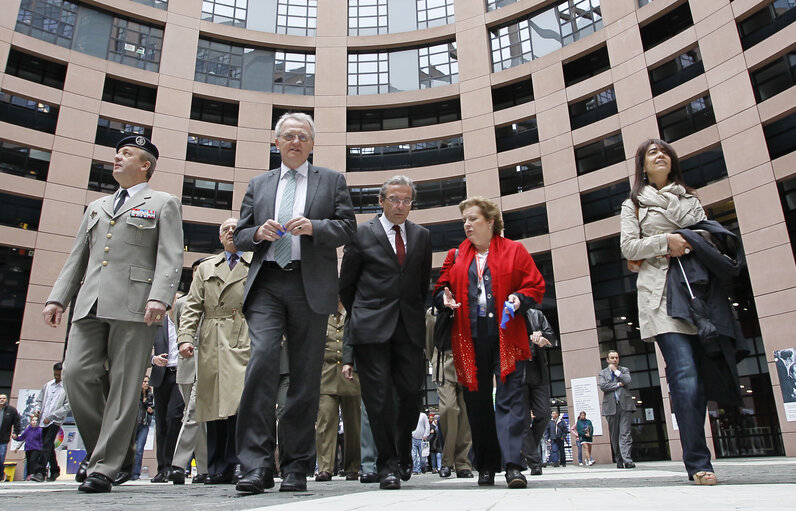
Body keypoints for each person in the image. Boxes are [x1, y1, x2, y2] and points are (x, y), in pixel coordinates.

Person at [41, 135, 183, 493]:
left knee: (123, 385)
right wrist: (57, 299)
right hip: (90, 304)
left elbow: (170, 255)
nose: (117, 159)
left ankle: (103, 467)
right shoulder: (96, 206)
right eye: (117, 154)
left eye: (127, 154)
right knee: (76, 375)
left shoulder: (163, 203)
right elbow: (78, 257)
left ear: (145, 164)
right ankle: (109, 453)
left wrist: (160, 297)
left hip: (137, 306)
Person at [233, 113, 356, 494]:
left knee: (304, 379)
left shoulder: (332, 180)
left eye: (303, 136)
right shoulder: (259, 183)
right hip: (268, 282)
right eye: (288, 135)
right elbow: (239, 236)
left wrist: (315, 228)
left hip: (311, 285)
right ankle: (254, 465)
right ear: (277, 142)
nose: (295, 141)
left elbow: (348, 228)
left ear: (312, 144)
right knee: (263, 362)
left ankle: (296, 466)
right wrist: (258, 233)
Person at [620, 138, 748, 486]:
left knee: (702, 373)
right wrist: (667, 242)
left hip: (698, 292)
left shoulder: (691, 199)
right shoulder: (633, 204)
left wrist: (679, 238)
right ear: (642, 167)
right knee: (685, 375)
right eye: (651, 153)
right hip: (660, 296)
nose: (659, 155)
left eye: (664, 151)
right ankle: (698, 461)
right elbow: (628, 247)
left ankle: (700, 452)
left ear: (672, 162)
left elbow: (709, 236)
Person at [434, 196, 545, 489]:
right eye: (464, 221)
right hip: (468, 337)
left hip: (506, 334)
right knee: (477, 403)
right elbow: (440, 287)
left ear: (491, 221)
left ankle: (513, 466)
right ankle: (485, 465)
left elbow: (535, 285)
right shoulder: (456, 254)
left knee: (510, 399)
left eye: (473, 219)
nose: (467, 225)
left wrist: (519, 298)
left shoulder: (514, 250)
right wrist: (443, 297)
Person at [340, 175, 432, 490]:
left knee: (409, 394)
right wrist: (364, 315)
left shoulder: (421, 236)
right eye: (394, 199)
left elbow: (422, 285)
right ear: (381, 201)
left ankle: (403, 446)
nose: (400, 205)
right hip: (371, 328)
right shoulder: (361, 234)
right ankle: (387, 465)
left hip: (408, 328)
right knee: (377, 400)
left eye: (406, 200)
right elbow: (347, 286)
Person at [179, 218, 252, 485]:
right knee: (212, 406)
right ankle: (216, 466)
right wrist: (185, 338)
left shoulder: (256, 262)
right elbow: (192, 306)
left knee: (238, 403)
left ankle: (238, 462)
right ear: (220, 238)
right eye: (225, 229)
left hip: (242, 333)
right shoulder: (206, 267)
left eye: (235, 229)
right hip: (210, 337)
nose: (231, 232)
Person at [170, 258, 210, 484]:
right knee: (197, 417)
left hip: (208, 361)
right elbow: (180, 331)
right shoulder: (181, 303)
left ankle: (178, 464)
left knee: (193, 412)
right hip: (186, 365)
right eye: (195, 271)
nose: (198, 274)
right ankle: (203, 469)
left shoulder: (214, 298)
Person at [424, 309, 474, 480]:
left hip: (466, 360)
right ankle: (446, 462)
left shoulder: (467, 306)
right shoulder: (433, 312)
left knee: (465, 416)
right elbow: (429, 344)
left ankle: (462, 463)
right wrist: (435, 361)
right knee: (449, 410)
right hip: (444, 362)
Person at [315, 302, 361, 482]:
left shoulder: (352, 313)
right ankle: (325, 467)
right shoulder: (322, 315)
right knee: (325, 421)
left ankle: (352, 467)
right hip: (326, 375)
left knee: (353, 424)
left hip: (350, 375)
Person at [150, 304, 186, 483]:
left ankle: (174, 466)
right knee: (161, 424)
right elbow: (143, 346)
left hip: (180, 375)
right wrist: (153, 359)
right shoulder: (158, 323)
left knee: (174, 418)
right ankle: (162, 468)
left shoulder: (185, 324)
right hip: (161, 376)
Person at [520, 308, 557, 475]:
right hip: (518, 372)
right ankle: (534, 462)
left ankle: (527, 452)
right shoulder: (507, 312)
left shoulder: (537, 315)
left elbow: (551, 336)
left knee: (544, 414)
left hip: (538, 371)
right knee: (522, 420)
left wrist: (542, 337)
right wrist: (528, 338)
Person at [598, 351, 636, 469]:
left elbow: (627, 380)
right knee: (615, 435)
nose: (615, 359)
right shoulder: (602, 373)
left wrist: (616, 371)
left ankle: (627, 460)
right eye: (612, 358)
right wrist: (618, 385)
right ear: (607, 360)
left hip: (625, 406)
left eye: (616, 357)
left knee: (625, 433)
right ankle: (619, 459)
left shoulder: (624, 370)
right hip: (610, 408)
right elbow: (603, 386)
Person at [34, 362, 70, 481]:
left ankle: (40, 471)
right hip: (43, 419)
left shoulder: (66, 387)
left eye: (59, 375)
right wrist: (37, 410)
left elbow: (67, 406)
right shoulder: (48, 385)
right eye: (55, 374)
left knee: (47, 444)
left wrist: (52, 416)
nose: (57, 377)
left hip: (55, 421)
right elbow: (39, 400)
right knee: (47, 445)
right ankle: (55, 470)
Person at [132, 376, 154, 480]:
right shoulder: (135, 395)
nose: (146, 383)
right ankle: (127, 471)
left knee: (139, 449)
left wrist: (151, 410)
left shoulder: (150, 396)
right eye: (144, 381)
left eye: (147, 382)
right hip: (133, 424)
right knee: (131, 448)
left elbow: (153, 410)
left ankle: (136, 473)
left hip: (144, 424)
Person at [15, 415, 44, 481]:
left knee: (33, 460)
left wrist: (42, 448)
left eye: (35, 420)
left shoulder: (40, 430)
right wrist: (16, 438)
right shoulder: (28, 429)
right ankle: (28, 475)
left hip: (36, 448)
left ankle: (33, 474)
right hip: (28, 448)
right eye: (33, 420)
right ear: (31, 421)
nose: (34, 422)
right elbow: (22, 437)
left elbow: (42, 440)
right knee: (28, 462)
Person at [0, 393, 22, 481]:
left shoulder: (11, 410)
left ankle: (1, 474)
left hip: (3, 438)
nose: (2, 400)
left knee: (1, 457)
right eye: (0, 398)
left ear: (6, 400)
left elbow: (17, 421)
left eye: (4, 398)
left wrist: (16, 432)